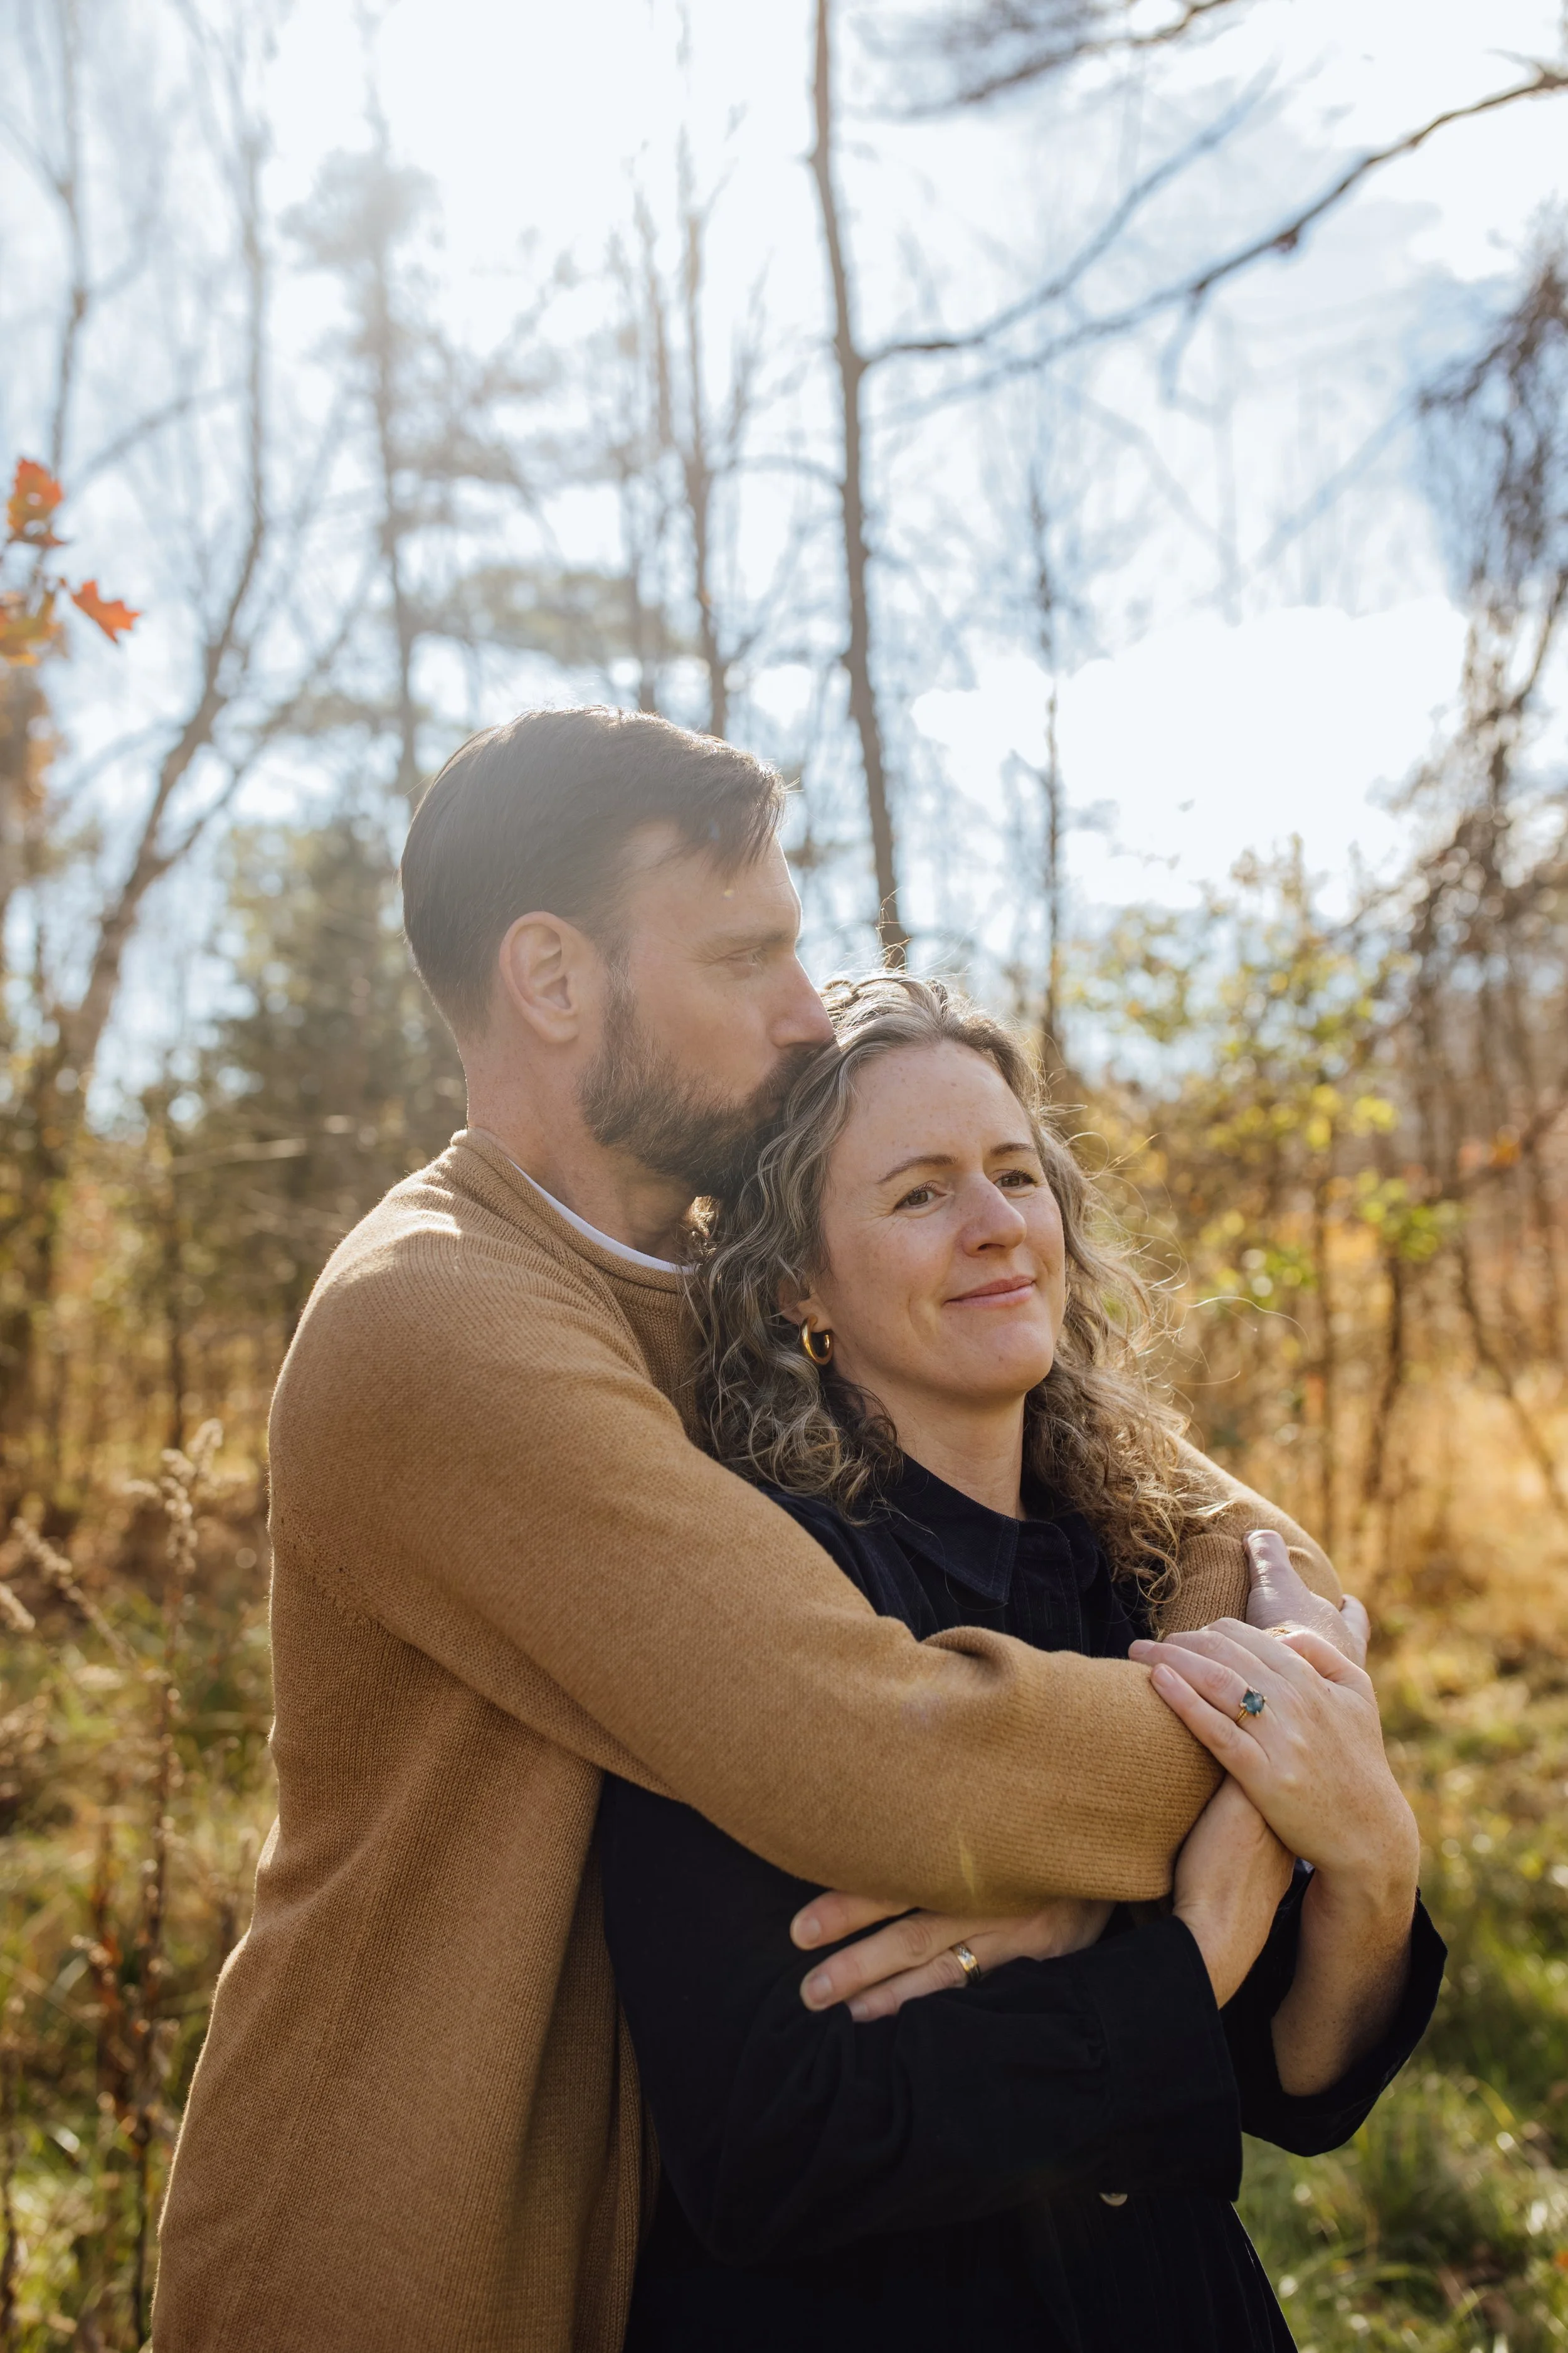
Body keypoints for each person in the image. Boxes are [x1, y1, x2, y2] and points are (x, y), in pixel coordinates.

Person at [154, 708, 1355, 2353]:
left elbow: (1198, 1510)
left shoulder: (710, 1272)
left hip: (660, 2220)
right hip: (415, 2237)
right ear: (556, 980)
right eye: (749, 957)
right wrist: (1271, 1793)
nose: (806, 1019)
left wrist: (1297, 1675)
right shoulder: (437, 1316)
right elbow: (889, 1757)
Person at [600, 972, 1444, 2351]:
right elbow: (774, 2151)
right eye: (919, 1193)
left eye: (1014, 1174)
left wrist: (1374, 1857)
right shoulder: (758, 1598)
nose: (998, 1227)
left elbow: (1299, 2080)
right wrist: (1181, 1944)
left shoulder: (1147, 1575)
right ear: (795, 1286)